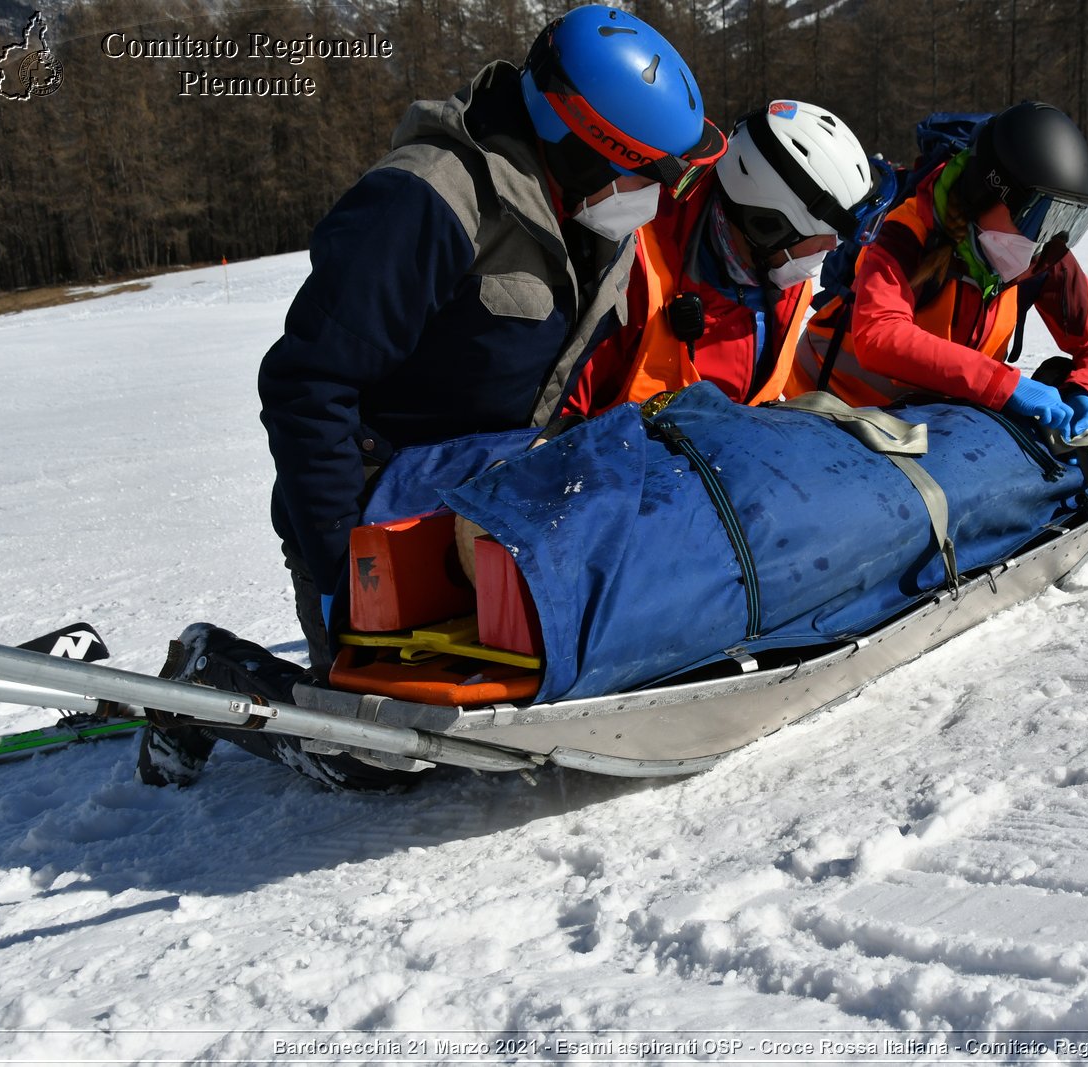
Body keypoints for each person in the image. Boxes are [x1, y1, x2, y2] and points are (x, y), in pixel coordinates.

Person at [138, 4, 723, 790]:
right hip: (376, 513)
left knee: (504, 699)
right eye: (642, 175)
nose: (652, 198)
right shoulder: (427, 201)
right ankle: (213, 678)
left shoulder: (588, 217)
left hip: (483, 505)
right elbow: (308, 384)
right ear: (582, 147)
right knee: (374, 754)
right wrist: (347, 569)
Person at [787, 101, 1088, 441]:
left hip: (918, 428)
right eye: (1039, 215)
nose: (1047, 237)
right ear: (986, 193)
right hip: (827, 414)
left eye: (1067, 220)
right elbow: (879, 335)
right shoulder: (907, 230)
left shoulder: (1039, 255)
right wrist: (999, 383)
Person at [559, 100, 885, 418]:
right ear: (769, 225)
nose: (830, 250)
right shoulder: (633, 267)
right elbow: (563, 417)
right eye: (825, 238)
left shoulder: (786, 286)